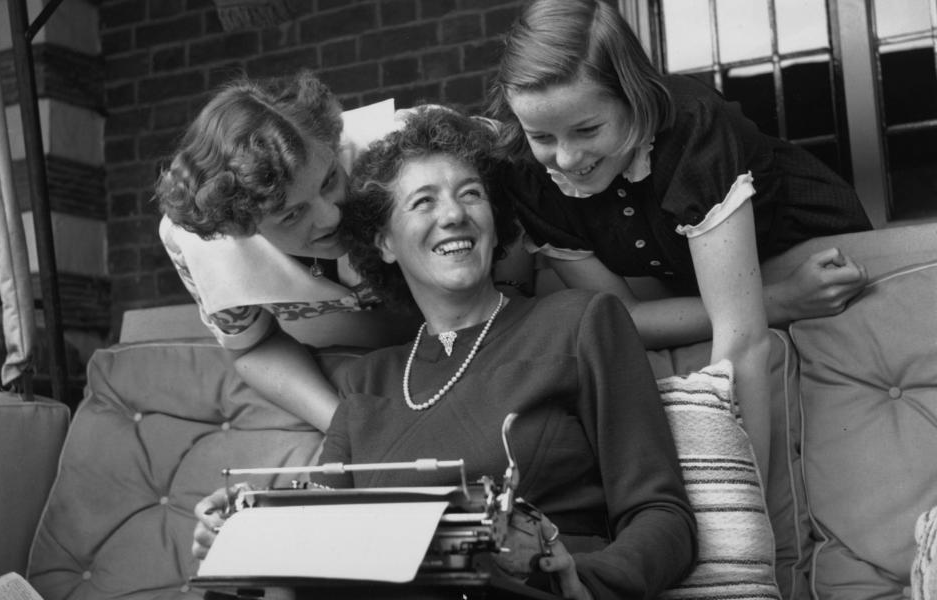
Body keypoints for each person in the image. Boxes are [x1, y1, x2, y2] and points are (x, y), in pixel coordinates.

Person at [192, 107, 698, 600]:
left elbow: (663, 518)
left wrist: (576, 575)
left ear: (496, 221)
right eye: (423, 202)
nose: (453, 214)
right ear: (384, 242)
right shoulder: (367, 384)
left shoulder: (580, 324)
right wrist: (246, 532)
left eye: (470, 194)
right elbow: (325, 548)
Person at [487, 0, 874, 477]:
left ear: (634, 96)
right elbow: (625, 316)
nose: (566, 158)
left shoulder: (693, 129)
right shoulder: (529, 176)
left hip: (825, 265)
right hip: (755, 295)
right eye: (541, 135)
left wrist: (736, 511)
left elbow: (741, 340)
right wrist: (784, 300)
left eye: (587, 129)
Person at [155, 71, 420, 432]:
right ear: (240, 226)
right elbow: (253, 345)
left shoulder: (399, 144)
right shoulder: (197, 245)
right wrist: (346, 427)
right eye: (292, 213)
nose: (331, 215)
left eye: (329, 180)